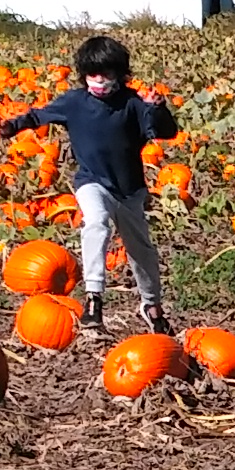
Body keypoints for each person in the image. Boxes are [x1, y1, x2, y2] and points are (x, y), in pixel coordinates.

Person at [24, 31, 179, 329]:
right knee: (95, 222)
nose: (99, 80)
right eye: (92, 74)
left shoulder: (132, 103)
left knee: (140, 249)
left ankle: (152, 306)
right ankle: (93, 297)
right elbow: (38, 116)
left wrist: (158, 109)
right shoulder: (74, 102)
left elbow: (164, 131)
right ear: (84, 75)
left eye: (106, 74)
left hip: (129, 189)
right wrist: (10, 126)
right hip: (91, 182)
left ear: (120, 74)